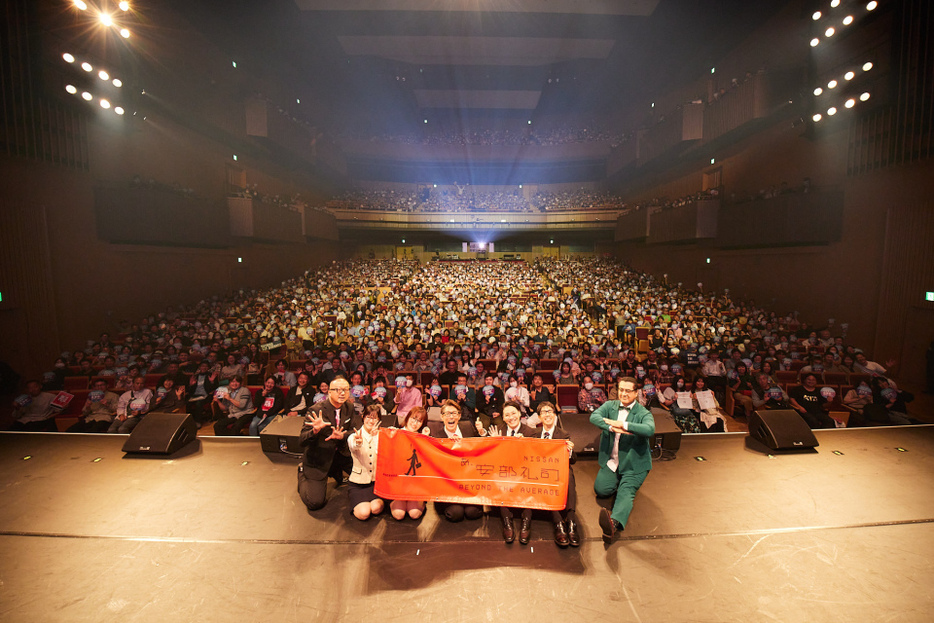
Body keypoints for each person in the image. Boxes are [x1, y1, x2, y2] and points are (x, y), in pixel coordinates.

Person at [591, 376, 655, 542]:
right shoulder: (610, 405)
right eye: (621, 390)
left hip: (634, 464)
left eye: (628, 390)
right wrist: (611, 426)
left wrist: (624, 425)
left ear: (635, 393)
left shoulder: (643, 412)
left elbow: (649, 429)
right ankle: (621, 482)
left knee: (626, 493)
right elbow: (594, 417)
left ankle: (613, 523)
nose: (624, 393)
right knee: (601, 490)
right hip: (613, 462)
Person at [297, 376, 360, 511]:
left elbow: (354, 431)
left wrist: (343, 435)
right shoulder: (315, 410)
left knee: (366, 480)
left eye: (345, 390)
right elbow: (302, 440)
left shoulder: (349, 407)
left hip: (341, 454)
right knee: (315, 503)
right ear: (329, 392)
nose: (342, 393)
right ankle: (302, 472)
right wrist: (314, 431)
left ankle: (335, 471)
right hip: (319, 458)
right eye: (337, 390)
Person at [428, 399, 483, 523]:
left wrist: (481, 432)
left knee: (472, 512)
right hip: (447, 484)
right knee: (456, 514)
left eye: (453, 413)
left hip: (468, 481)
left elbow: (479, 448)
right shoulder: (435, 435)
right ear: (442, 417)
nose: (450, 416)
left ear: (459, 415)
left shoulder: (468, 427)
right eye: (447, 414)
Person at [536, 401, 579, 548]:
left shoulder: (564, 434)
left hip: (560, 470)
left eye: (550, 411)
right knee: (547, 480)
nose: (547, 414)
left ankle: (572, 521)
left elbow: (573, 460)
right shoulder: (534, 435)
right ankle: (559, 523)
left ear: (555, 415)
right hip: (541, 472)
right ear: (539, 417)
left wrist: (570, 451)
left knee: (569, 473)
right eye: (543, 412)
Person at [346, 404, 386, 521]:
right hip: (358, 483)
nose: (371, 420)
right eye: (368, 417)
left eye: (374, 418)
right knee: (364, 513)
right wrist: (358, 442)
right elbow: (354, 446)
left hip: (376, 483)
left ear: (379, 420)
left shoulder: (381, 436)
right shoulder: (354, 435)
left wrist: (374, 437)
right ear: (363, 417)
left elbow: (381, 454)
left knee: (376, 508)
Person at [389, 406, 429, 521]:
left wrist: (425, 439)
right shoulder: (395, 433)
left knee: (414, 514)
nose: (415, 423)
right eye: (413, 418)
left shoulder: (423, 438)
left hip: (416, 485)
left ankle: (421, 503)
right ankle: (393, 502)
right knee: (398, 514)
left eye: (419, 421)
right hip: (398, 483)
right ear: (407, 417)